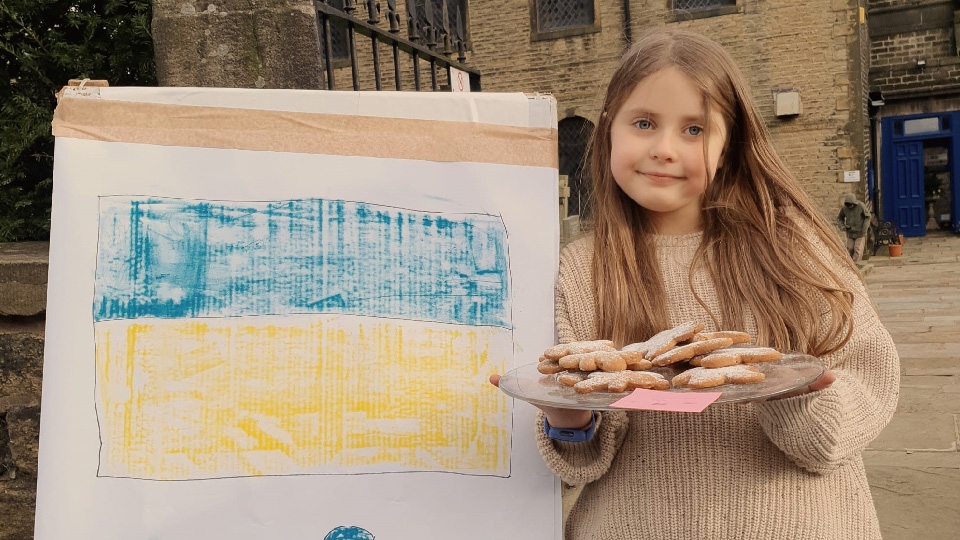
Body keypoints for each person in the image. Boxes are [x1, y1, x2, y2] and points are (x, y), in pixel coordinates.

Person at [490, 28, 899, 540]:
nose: (664, 148)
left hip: (803, 522)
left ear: (729, 147)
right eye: (643, 123)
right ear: (609, 129)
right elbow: (585, 459)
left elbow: (866, 385)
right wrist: (569, 420)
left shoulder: (796, 252)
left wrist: (800, 401)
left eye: (694, 130)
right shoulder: (581, 269)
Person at [837, 193, 872, 262]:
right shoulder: (844, 208)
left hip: (860, 232)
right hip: (850, 232)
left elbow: (868, 217)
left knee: (857, 249)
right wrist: (842, 226)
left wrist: (864, 228)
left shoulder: (861, 206)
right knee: (849, 248)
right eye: (848, 204)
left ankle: (856, 264)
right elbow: (839, 218)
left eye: (851, 204)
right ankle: (850, 263)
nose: (849, 206)